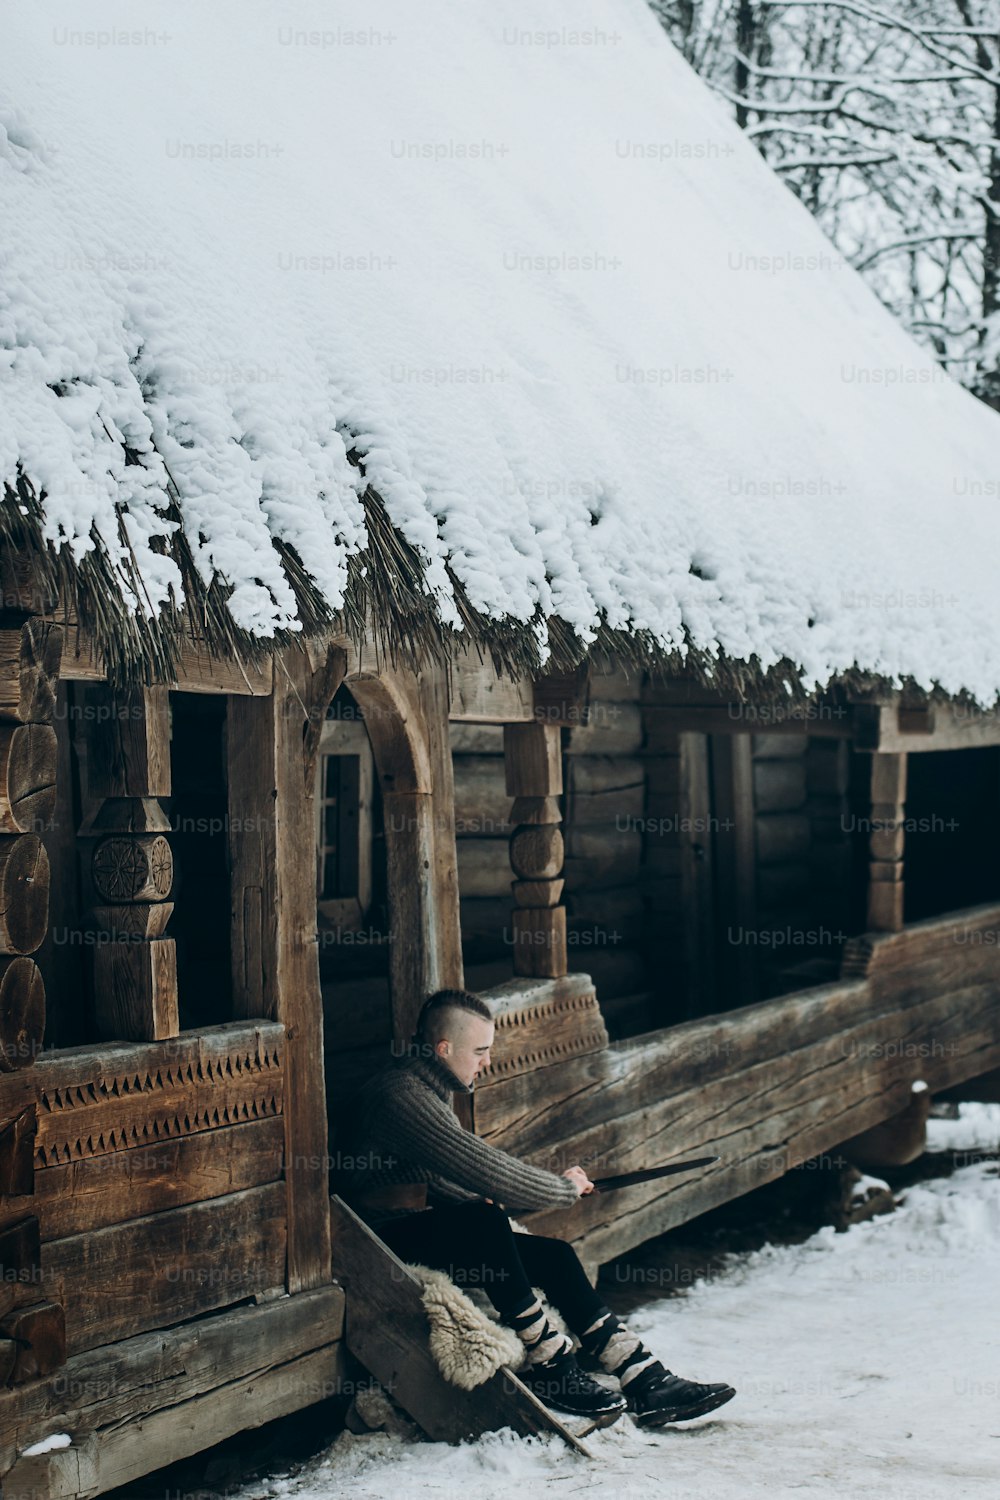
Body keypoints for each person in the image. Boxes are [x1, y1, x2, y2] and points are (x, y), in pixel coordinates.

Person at [335, 987, 737, 1426]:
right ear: (444, 1048)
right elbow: (482, 1168)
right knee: (484, 1219)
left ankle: (644, 1378)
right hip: (375, 1246)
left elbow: (436, 1179)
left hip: (416, 1228)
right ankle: (551, 1365)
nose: (487, 1062)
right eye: (480, 1051)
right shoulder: (401, 1096)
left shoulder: (428, 1090)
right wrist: (559, 1190)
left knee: (555, 1257)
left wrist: (478, 1201)